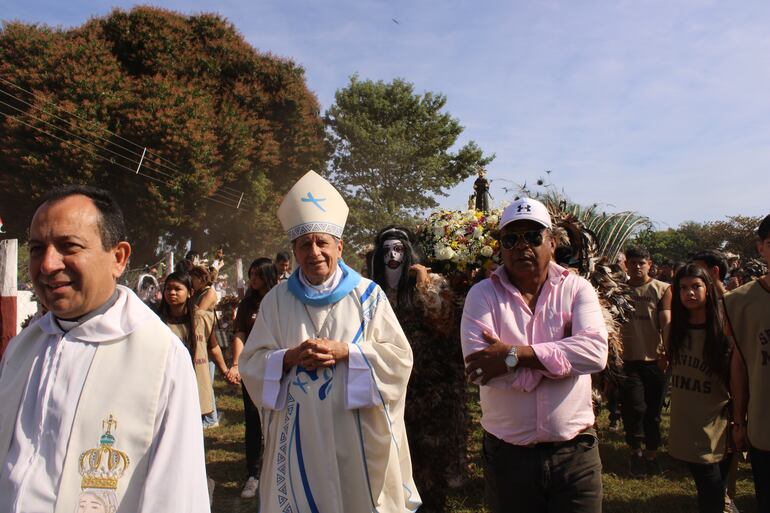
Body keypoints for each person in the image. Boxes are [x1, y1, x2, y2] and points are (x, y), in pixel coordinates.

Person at [0, 185, 209, 512]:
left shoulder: (160, 357)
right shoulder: (22, 348)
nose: (47, 264)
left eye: (68, 246)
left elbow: (177, 493)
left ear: (119, 257)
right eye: (38, 249)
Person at [240, 170, 420, 512]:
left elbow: (398, 359)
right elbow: (250, 363)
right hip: (298, 436)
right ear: (294, 250)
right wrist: (289, 357)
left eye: (322, 242)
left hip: (356, 432)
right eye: (304, 244)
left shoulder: (368, 296)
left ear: (339, 245)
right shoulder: (277, 300)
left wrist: (347, 352)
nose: (314, 252)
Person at [460, 197, 608, 513]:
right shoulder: (482, 295)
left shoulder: (578, 289)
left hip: (574, 457)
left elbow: (595, 353)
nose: (520, 246)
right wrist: (563, 361)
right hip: (508, 458)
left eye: (532, 236)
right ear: (501, 247)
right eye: (510, 239)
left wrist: (513, 355)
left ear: (552, 243)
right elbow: (480, 369)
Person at [370, 225, 465, 512]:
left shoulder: (433, 284)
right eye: (386, 251)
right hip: (387, 394)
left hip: (430, 398)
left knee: (429, 472)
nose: (392, 257)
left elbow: (445, 324)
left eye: (398, 250)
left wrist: (424, 285)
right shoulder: (371, 291)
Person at [666, 264, 732, 513]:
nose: (689, 293)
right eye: (683, 288)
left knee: (710, 482)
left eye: (696, 286)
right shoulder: (675, 331)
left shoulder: (722, 330)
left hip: (715, 420)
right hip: (685, 419)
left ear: (708, 289)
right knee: (709, 481)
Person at [725, 213, 770, 513]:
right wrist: (738, 421)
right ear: (761, 248)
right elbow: (739, 365)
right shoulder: (738, 302)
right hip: (764, 426)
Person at [225, 257, 278, 499]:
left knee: (279, 419)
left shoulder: (283, 299)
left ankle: (280, 469)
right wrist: (237, 364)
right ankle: (253, 474)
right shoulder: (248, 304)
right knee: (253, 420)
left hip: (280, 369)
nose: (252, 279)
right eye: (250, 274)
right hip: (254, 370)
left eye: (257, 274)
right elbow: (239, 334)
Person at [619, 246, 672, 475]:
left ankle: (652, 454)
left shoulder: (661, 289)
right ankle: (636, 453)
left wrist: (667, 352)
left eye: (642, 263)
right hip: (628, 361)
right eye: (633, 263)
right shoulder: (618, 290)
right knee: (634, 408)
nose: (637, 267)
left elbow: (666, 320)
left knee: (654, 411)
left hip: (655, 361)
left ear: (650, 264)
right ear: (627, 265)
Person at [157, 271, 229, 423]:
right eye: (168, 289)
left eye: (177, 289)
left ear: (190, 293)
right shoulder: (156, 322)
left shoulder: (201, 320)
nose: (172, 293)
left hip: (194, 383)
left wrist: (225, 371)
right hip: (166, 384)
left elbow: (213, 348)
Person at [189, 265, 221, 428]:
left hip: (208, 338)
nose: (191, 282)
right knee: (203, 379)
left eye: (193, 278)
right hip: (201, 339)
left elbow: (199, 313)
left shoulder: (209, 293)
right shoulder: (199, 293)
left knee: (206, 381)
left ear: (201, 278)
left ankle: (211, 418)